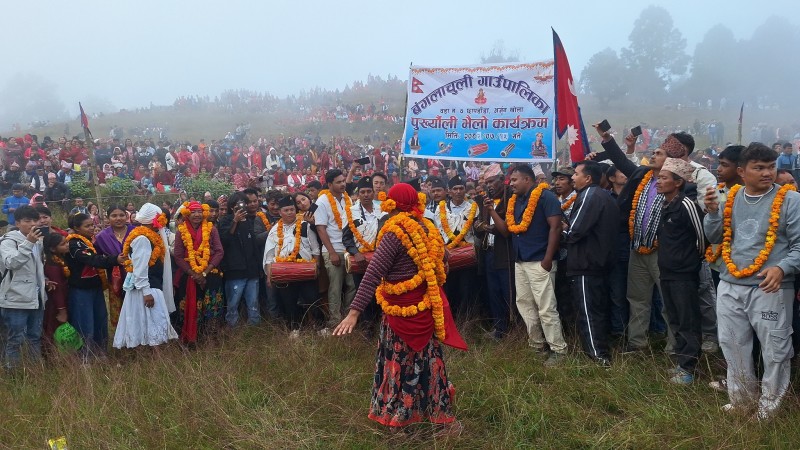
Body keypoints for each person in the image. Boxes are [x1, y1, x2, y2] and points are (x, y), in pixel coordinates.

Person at [333, 183, 466, 433]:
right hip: (424, 311)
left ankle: (399, 418)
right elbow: (445, 258)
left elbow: (373, 273)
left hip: (400, 315)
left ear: (391, 203)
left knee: (400, 363)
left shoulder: (393, 232)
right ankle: (436, 415)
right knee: (428, 362)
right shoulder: (427, 227)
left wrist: (353, 313)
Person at [704, 143, 800, 420]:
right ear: (742, 171)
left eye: (771, 167)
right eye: (759, 168)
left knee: (775, 348)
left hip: (770, 286)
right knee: (732, 343)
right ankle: (742, 400)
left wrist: (782, 268)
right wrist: (712, 212)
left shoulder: (790, 200)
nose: (767, 173)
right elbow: (714, 237)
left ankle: (769, 407)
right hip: (730, 282)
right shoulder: (730, 196)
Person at [503, 164, 568, 365]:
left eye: (515, 180)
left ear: (527, 179)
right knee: (524, 304)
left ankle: (558, 349)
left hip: (540, 261)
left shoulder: (546, 197)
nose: (511, 184)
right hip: (521, 260)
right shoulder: (515, 200)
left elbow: (555, 228)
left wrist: (548, 259)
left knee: (546, 307)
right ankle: (537, 344)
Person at [563, 161, 619, 366]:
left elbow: (575, 231)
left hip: (587, 263)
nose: (572, 177)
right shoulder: (603, 195)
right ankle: (599, 352)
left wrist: (560, 229)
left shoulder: (590, 195)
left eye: (576, 173)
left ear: (588, 178)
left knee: (588, 311)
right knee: (596, 310)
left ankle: (598, 356)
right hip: (598, 262)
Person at [655, 158, 705, 384]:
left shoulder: (687, 205)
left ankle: (688, 367)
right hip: (666, 270)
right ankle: (681, 361)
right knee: (674, 318)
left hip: (684, 272)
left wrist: (690, 261)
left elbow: (701, 237)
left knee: (687, 320)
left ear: (678, 182)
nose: (659, 181)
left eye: (664, 178)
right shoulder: (665, 204)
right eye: (659, 177)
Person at [114, 203, 179, 348]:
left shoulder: (147, 235)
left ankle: (153, 355)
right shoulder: (142, 239)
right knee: (154, 323)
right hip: (147, 288)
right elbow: (140, 269)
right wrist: (146, 292)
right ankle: (155, 356)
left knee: (151, 323)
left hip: (149, 286)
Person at [65, 213, 125, 359]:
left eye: (92, 225)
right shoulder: (74, 244)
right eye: (87, 226)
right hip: (81, 290)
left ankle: (101, 354)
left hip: (95, 287)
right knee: (85, 323)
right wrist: (115, 260)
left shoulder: (89, 241)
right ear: (76, 228)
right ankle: (85, 357)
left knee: (100, 320)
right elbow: (92, 260)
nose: (92, 228)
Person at [263, 195, 321, 337]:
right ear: (280, 212)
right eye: (286, 210)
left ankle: (321, 327)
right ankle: (294, 329)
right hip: (284, 272)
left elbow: (315, 249)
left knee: (312, 299)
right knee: (289, 302)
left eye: (292, 209)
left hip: (305, 270)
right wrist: (269, 276)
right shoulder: (274, 230)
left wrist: (317, 267)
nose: (290, 212)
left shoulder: (305, 225)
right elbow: (269, 256)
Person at [0, 206, 46, 369]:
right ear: (17, 223)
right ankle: (12, 373)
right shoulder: (8, 241)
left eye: (35, 220)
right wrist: (29, 243)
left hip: (36, 296)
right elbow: (11, 263)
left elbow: (35, 268)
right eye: (27, 221)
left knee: (34, 336)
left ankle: (35, 371)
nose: (32, 224)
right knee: (15, 339)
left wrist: (44, 280)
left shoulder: (37, 240)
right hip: (15, 298)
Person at [173, 201, 225, 344]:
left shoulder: (212, 229)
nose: (197, 215)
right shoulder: (181, 231)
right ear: (187, 215)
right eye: (193, 212)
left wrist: (204, 273)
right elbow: (178, 256)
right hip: (189, 275)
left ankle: (211, 338)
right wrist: (193, 273)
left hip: (211, 273)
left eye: (199, 212)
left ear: (204, 213)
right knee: (190, 307)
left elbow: (219, 252)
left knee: (212, 305)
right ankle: (193, 339)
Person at [474, 163, 515, 340]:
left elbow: (505, 229)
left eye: (492, 181)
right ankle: (499, 330)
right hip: (489, 253)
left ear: (502, 179)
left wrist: (488, 227)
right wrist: (484, 227)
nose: (489, 186)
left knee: (509, 293)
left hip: (506, 253)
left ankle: (515, 331)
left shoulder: (511, 197)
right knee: (494, 293)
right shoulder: (485, 200)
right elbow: (477, 226)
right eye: (487, 183)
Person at [218, 190, 269, 326]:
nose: (242, 207)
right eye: (238, 205)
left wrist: (258, 267)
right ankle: (232, 329)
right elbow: (224, 241)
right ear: (231, 207)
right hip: (234, 270)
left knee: (253, 303)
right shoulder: (225, 221)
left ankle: (254, 328)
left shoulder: (249, 221)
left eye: (243, 204)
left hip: (251, 269)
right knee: (233, 303)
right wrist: (235, 221)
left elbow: (254, 245)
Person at [315, 169, 357, 329]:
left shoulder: (347, 199)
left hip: (349, 250)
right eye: (338, 182)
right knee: (335, 287)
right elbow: (321, 229)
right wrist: (332, 252)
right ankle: (334, 321)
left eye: (343, 181)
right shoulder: (322, 201)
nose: (343, 184)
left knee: (352, 285)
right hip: (333, 250)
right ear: (329, 184)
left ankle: (348, 318)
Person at [435, 174, 479, 317]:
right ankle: (450, 320)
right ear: (449, 191)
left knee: (467, 288)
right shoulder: (441, 208)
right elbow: (437, 232)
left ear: (465, 189)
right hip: (447, 254)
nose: (458, 191)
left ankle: (466, 320)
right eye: (455, 189)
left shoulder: (473, 208)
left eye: (461, 188)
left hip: (467, 254)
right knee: (449, 288)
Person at [94, 205, 134, 328]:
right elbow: (98, 259)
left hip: (137, 277)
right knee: (119, 310)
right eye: (114, 216)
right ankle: (121, 336)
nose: (118, 218)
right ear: (108, 218)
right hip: (115, 279)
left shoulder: (136, 231)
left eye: (121, 215)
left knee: (136, 308)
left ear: (126, 216)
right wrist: (114, 260)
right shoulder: (102, 237)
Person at [42, 232, 70, 353]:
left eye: (67, 242)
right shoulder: (52, 266)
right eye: (63, 244)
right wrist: (62, 311)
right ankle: (53, 356)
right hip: (56, 306)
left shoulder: (59, 260)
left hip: (60, 302)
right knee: (54, 330)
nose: (67, 245)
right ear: (53, 249)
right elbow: (57, 289)